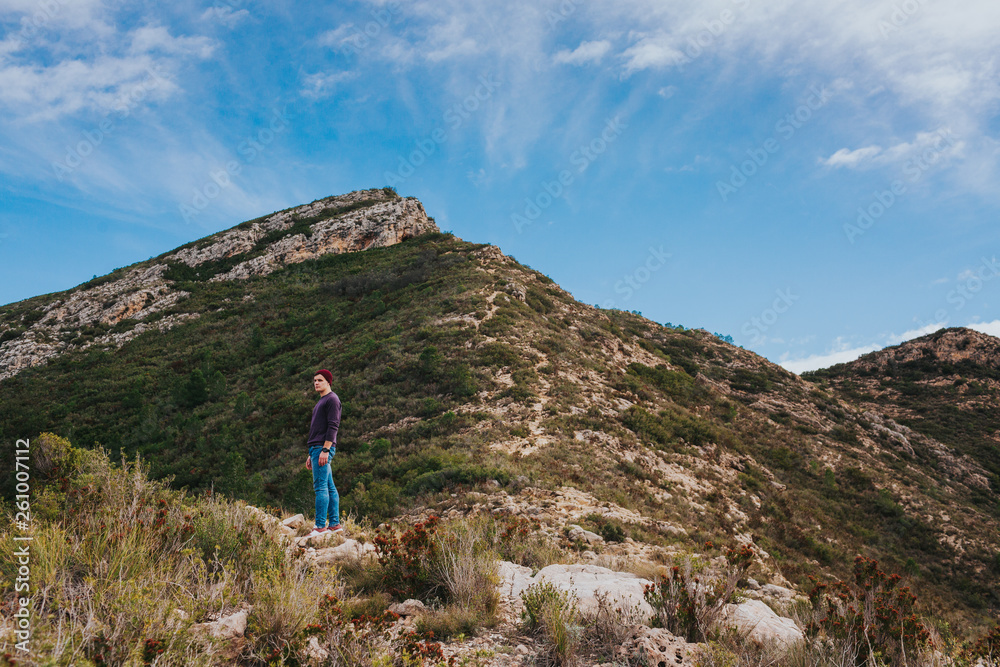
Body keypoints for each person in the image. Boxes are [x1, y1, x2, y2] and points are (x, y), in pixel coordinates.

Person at [305, 369, 342, 538]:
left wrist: (325, 450)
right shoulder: (322, 401)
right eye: (314, 380)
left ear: (328, 382)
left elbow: (333, 426)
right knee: (329, 487)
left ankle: (320, 527)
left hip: (322, 448)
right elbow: (318, 429)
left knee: (320, 488)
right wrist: (310, 454)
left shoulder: (332, 399)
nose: (316, 383)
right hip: (317, 448)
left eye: (320, 380)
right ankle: (334, 525)